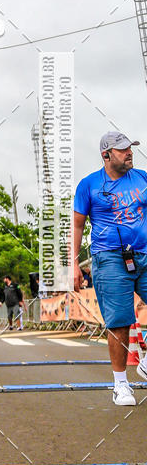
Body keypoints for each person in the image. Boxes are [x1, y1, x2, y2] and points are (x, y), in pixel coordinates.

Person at [74, 131, 147, 406]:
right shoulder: (89, 185)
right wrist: (73, 265)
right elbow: (78, 225)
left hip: (144, 254)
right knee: (119, 321)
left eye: (130, 148)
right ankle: (120, 385)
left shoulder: (142, 178)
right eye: (122, 150)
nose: (129, 153)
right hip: (109, 259)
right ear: (106, 155)